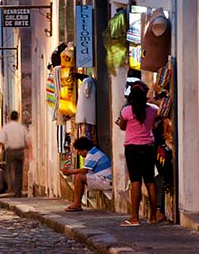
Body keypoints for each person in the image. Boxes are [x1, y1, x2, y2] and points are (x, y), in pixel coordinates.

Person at [116, 82, 160, 226]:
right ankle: (153, 216)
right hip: (148, 147)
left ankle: (135, 218)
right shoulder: (153, 109)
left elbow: (122, 127)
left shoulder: (127, 111)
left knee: (135, 182)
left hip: (132, 148)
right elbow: (153, 124)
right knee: (150, 181)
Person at [61, 137, 112, 212]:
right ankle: (76, 201)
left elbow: (84, 170)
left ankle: (77, 203)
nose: (79, 153)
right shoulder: (94, 152)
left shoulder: (92, 154)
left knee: (79, 177)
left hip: (106, 181)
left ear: (84, 149)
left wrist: (69, 172)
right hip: (104, 179)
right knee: (79, 177)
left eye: (79, 151)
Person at [0, 111, 30, 197]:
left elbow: (0, 141)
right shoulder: (21, 127)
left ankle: (11, 189)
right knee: (19, 172)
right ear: (18, 117)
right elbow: (28, 140)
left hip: (10, 151)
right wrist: (30, 152)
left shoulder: (6, 127)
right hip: (20, 151)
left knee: (10, 170)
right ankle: (17, 191)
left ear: (10, 117)